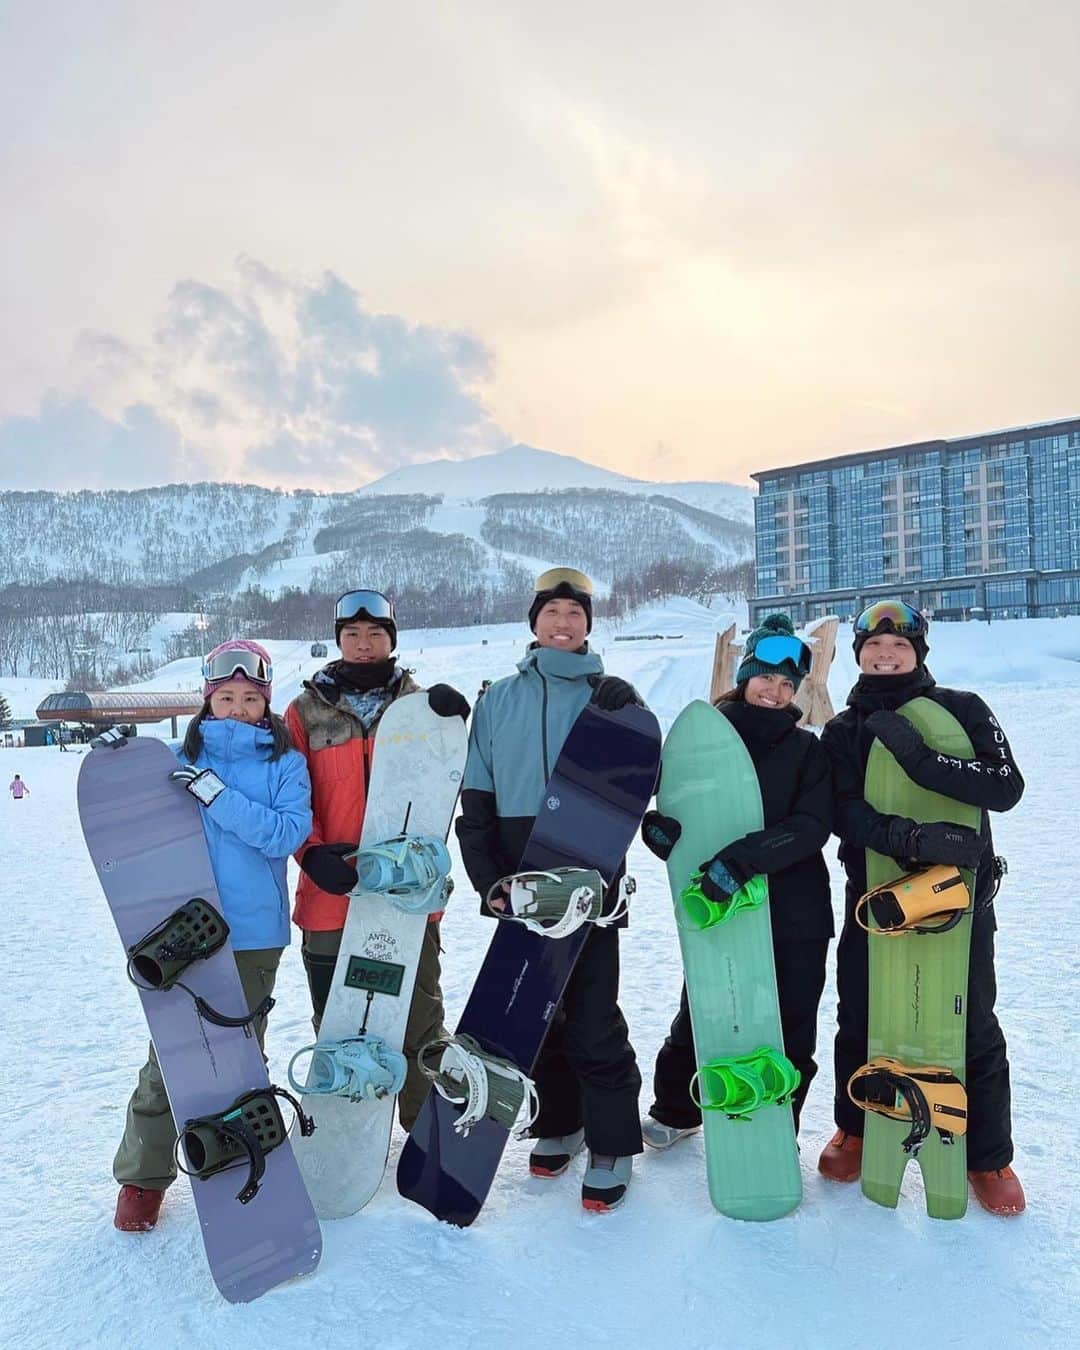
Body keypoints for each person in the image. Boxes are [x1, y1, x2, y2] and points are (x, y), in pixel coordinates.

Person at [818, 600, 1025, 1215]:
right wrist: (907, 838)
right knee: (861, 1012)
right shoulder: (844, 729)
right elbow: (843, 812)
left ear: (919, 654)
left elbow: (1004, 785)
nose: (886, 656)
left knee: (971, 1023)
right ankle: (857, 1129)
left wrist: (920, 759)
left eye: (899, 648)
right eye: (874, 649)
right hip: (876, 897)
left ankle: (988, 1156)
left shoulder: (962, 710)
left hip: (960, 900)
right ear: (858, 656)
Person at [455, 566, 646, 1212]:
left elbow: (638, 784)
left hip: (590, 881)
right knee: (540, 1015)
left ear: (589, 625)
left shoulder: (610, 697)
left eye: (576, 614)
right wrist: (489, 882)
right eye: (552, 613)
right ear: (533, 621)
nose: (563, 624)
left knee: (593, 1017)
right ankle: (561, 1121)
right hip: (520, 883)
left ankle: (613, 1139)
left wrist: (630, 718)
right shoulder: (498, 699)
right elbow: (475, 800)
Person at [114, 640, 313, 1232]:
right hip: (181, 932)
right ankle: (143, 1178)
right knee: (169, 1055)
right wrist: (118, 758)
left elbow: (285, 834)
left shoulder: (285, 763)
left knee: (238, 1057)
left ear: (265, 702)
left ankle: (238, 1157)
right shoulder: (173, 757)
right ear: (207, 701)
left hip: (252, 932)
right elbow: (124, 808)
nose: (236, 707)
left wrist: (218, 797)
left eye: (250, 698)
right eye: (225, 697)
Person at [640, 612, 834, 1145]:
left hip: (795, 909)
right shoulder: (702, 741)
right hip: (718, 898)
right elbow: (678, 814)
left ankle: (778, 1122)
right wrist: (658, 833)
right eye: (765, 678)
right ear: (745, 676)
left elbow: (812, 826)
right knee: (706, 1001)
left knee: (791, 1019)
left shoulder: (807, 750)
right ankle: (678, 1109)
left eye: (786, 684)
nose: (774, 691)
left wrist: (744, 859)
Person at [284, 589, 469, 1132]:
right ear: (338, 639)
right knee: (340, 1021)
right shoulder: (304, 712)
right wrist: (311, 853)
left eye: (375, 635)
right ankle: (346, 1133)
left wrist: (459, 723)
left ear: (392, 640)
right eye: (352, 635)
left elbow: (450, 785)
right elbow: (290, 796)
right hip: (330, 897)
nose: (363, 645)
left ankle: (425, 1126)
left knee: (419, 1021)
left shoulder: (419, 706)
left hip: (406, 897)